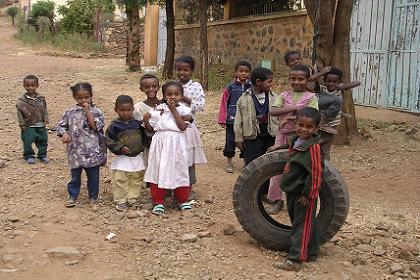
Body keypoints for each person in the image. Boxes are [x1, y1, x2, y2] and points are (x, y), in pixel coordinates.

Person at [268, 107, 323, 272]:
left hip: (303, 194)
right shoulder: (297, 140)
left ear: (316, 129)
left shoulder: (313, 149)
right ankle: (311, 252)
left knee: (301, 226)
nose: (303, 130)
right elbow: (291, 143)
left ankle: (295, 260)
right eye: (300, 125)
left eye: (309, 127)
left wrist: (309, 194)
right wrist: (278, 148)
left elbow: (316, 174)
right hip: (292, 190)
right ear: (295, 124)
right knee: (305, 223)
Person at [267, 64, 319, 215]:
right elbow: (273, 111)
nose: (297, 82)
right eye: (293, 78)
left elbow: (312, 115)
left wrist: (289, 116)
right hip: (283, 135)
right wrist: (294, 109)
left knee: (299, 169)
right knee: (278, 170)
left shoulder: (311, 97)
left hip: (302, 139)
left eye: (301, 79)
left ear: (307, 80)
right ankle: (277, 200)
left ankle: (299, 198)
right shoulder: (284, 95)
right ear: (289, 79)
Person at [143, 81, 193, 215]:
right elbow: (151, 128)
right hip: (160, 143)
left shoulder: (184, 110)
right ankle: (158, 201)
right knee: (158, 169)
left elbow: (182, 127)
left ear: (181, 96)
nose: (173, 97)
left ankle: (182, 199)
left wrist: (174, 110)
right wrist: (146, 119)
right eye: (169, 94)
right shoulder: (159, 109)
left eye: (176, 94)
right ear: (164, 96)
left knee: (179, 169)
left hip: (177, 144)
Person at [57, 83, 106, 208]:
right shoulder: (70, 112)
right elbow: (61, 126)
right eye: (79, 98)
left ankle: (93, 197)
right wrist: (64, 134)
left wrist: (87, 111)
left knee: (93, 176)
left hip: (92, 152)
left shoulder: (97, 112)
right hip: (75, 151)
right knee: (75, 176)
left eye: (86, 97)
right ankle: (72, 196)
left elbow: (95, 126)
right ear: (75, 98)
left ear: (91, 96)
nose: (83, 100)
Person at [106, 95, 147, 211]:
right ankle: (121, 200)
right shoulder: (114, 126)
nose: (125, 113)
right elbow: (109, 140)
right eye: (122, 110)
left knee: (136, 179)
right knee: (120, 179)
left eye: (128, 110)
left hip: (137, 157)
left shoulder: (137, 124)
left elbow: (144, 137)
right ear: (116, 110)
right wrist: (119, 147)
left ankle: (132, 199)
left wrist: (143, 146)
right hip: (123, 159)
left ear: (133, 109)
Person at [314, 67, 360, 160]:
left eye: (335, 82)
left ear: (339, 82)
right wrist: (320, 73)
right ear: (324, 81)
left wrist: (342, 86)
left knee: (325, 147)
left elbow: (357, 82)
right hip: (320, 123)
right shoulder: (322, 89)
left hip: (332, 125)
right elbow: (311, 80)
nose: (331, 84)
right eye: (329, 81)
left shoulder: (339, 89)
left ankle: (326, 166)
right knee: (315, 145)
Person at [234, 67, 277, 166]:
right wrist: (238, 138)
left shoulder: (275, 97)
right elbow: (238, 120)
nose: (271, 84)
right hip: (252, 137)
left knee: (269, 164)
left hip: (270, 136)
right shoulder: (243, 99)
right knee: (252, 164)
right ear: (258, 82)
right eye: (269, 82)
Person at [175, 55, 207, 189]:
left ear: (191, 71)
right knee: (175, 156)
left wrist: (185, 99)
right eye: (179, 69)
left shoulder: (196, 86)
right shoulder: (172, 85)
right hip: (174, 128)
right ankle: (174, 186)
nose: (182, 72)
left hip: (189, 128)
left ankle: (188, 186)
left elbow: (201, 106)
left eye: (186, 70)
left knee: (188, 157)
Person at [217, 60, 252, 173]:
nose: (243, 73)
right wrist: (222, 119)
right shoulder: (230, 87)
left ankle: (245, 163)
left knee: (246, 142)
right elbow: (224, 103)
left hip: (246, 120)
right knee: (230, 141)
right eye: (240, 71)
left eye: (246, 71)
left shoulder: (252, 87)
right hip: (231, 119)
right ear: (236, 72)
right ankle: (229, 163)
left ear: (249, 73)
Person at [16, 75, 49, 164]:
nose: (30, 87)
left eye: (32, 85)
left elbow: (44, 109)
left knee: (43, 140)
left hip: (41, 125)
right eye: (27, 85)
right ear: (24, 86)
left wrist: (46, 117)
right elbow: (19, 114)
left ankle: (42, 155)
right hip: (29, 125)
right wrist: (22, 124)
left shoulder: (41, 99)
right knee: (27, 141)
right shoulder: (21, 102)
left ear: (37, 85)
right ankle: (29, 156)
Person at [133, 73, 161, 167]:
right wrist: (145, 120)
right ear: (141, 89)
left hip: (166, 143)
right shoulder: (138, 108)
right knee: (150, 168)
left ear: (159, 87)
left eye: (154, 86)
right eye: (147, 87)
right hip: (148, 145)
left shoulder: (165, 105)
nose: (151, 89)